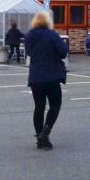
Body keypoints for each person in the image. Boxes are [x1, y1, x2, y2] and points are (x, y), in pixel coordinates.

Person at [25, 10, 67, 150]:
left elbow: (30, 52)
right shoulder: (52, 35)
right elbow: (63, 52)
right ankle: (45, 132)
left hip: (36, 77)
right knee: (55, 104)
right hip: (52, 76)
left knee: (39, 107)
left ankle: (39, 138)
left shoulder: (30, 36)